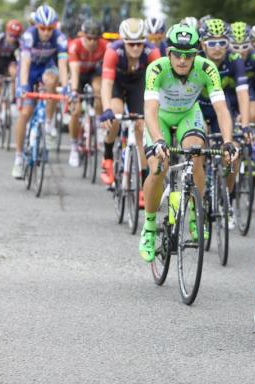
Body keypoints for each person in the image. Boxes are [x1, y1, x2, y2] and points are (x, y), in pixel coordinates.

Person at [137, 24, 238, 262]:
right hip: (160, 117)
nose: (183, 60)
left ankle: (195, 211)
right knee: (158, 167)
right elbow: (150, 111)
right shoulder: (156, 68)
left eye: (188, 55)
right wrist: (159, 140)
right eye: (178, 54)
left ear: (197, 54)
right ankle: (150, 227)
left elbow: (222, 109)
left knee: (196, 154)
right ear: (168, 53)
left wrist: (228, 141)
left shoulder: (207, 69)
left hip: (187, 115)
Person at [99, 18, 161, 185]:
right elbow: (106, 84)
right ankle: (108, 156)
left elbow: (161, 85)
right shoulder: (113, 51)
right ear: (123, 41)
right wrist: (106, 110)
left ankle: (143, 182)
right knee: (116, 115)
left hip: (138, 84)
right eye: (131, 44)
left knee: (142, 126)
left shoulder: (152, 52)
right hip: (117, 83)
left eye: (139, 44)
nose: (135, 47)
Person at [11, 5, 69, 179]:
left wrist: (66, 86)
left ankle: (49, 124)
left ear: (55, 26)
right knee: (26, 112)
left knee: (52, 81)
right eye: (42, 28)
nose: (45, 32)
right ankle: (19, 158)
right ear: (36, 26)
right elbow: (25, 63)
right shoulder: (29, 36)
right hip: (29, 72)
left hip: (46, 68)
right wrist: (22, 86)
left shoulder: (59, 38)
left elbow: (63, 64)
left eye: (50, 28)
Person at [66, 19, 107, 167]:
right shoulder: (75, 46)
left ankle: (98, 123)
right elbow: (75, 71)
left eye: (96, 39)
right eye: (89, 38)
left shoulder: (105, 46)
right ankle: (73, 147)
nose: (92, 42)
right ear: (83, 36)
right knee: (75, 111)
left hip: (93, 74)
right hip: (79, 74)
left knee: (99, 90)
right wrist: (74, 93)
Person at [197, 18, 250, 134]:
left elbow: (242, 93)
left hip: (222, 107)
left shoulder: (235, 59)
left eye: (222, 43)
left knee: (228, 143)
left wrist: (245, 126)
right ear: (202, 44)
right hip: (197, 107)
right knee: (199, 138)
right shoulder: (196, 60)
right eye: (211, 43)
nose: (217, 48)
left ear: (228, 44)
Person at [0, 19, 23, 141]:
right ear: (7, 32)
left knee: (16, 72)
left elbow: (22, 58)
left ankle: (13, 101)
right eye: (11, 35)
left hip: (10, 63)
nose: (13, 38)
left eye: (16, 36)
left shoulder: (19, 42)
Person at [230, 21, 255, 123]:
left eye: (245, 46)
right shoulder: (224, 58)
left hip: (247, 90)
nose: (240, 51)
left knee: (254, 114)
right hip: (227, 92)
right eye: (236, 47)